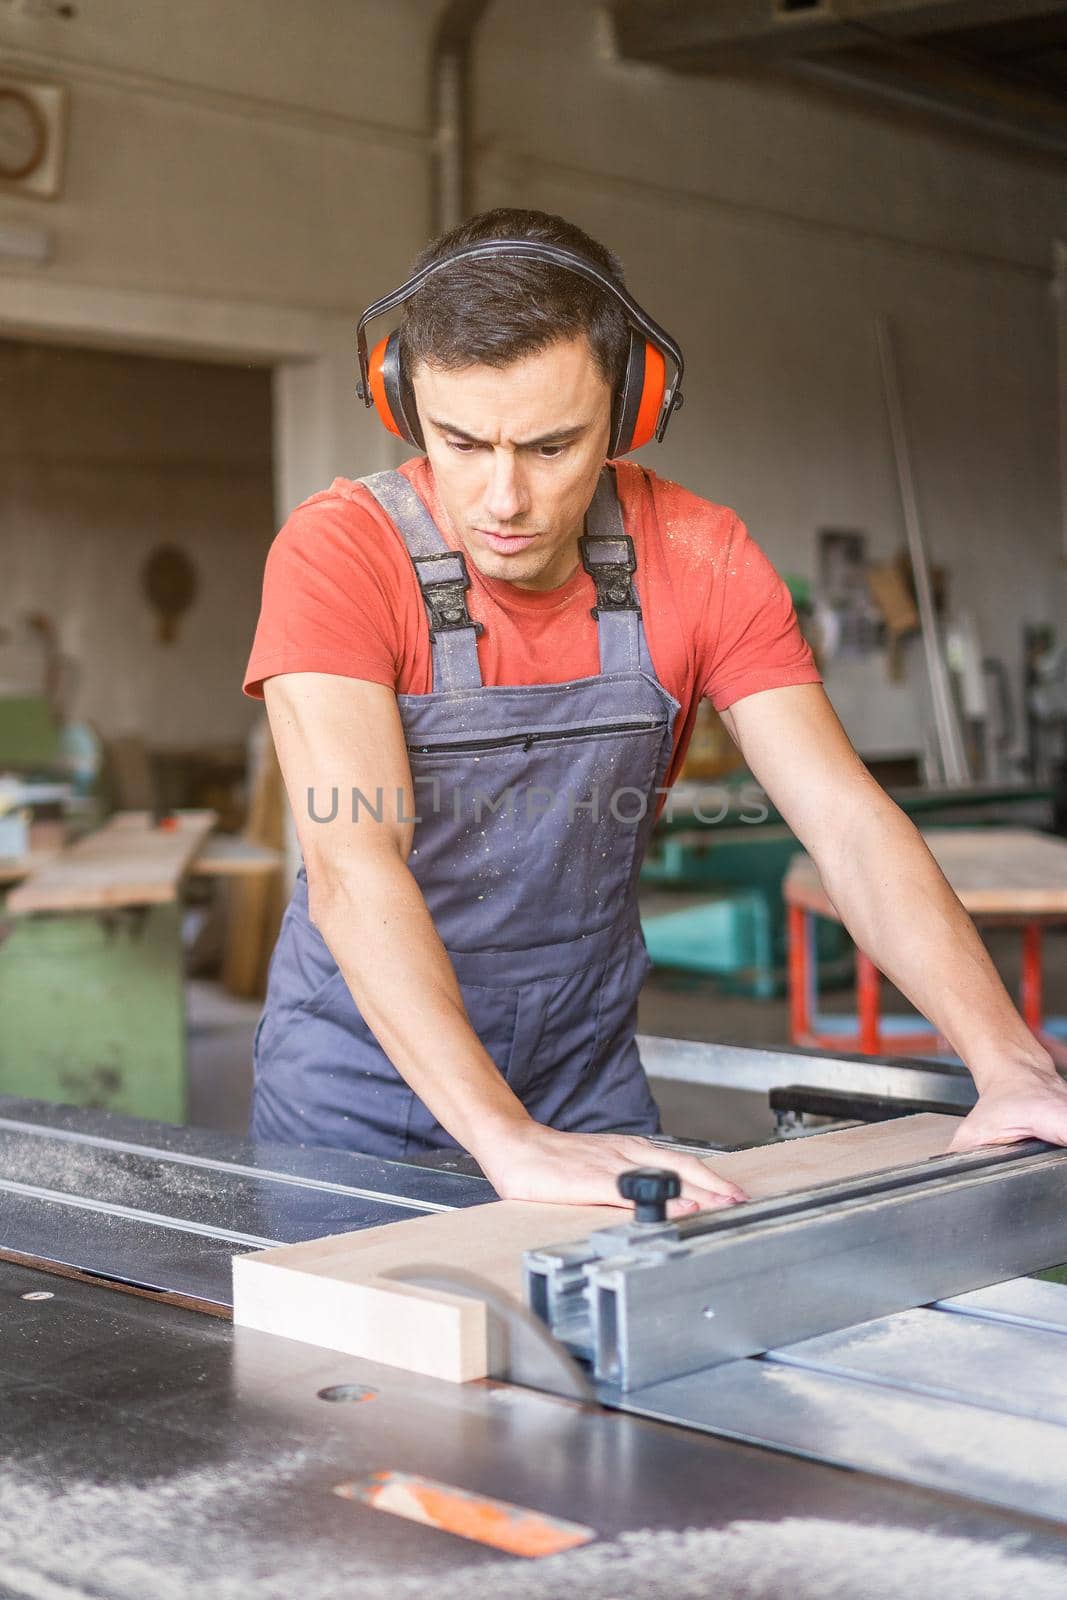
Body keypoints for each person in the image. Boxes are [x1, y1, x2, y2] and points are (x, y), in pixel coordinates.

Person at [244, 207, 1067, 1216]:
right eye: (460, 442)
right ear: (402, 398)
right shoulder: (338, 556)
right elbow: (351, 854)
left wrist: (1009, 1063)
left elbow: (847, 826)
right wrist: (505, 1138)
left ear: (629, 409)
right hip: (362, 1093)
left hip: (583, 1077)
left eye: (550, 447)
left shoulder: (699, 554)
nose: (501, 498)